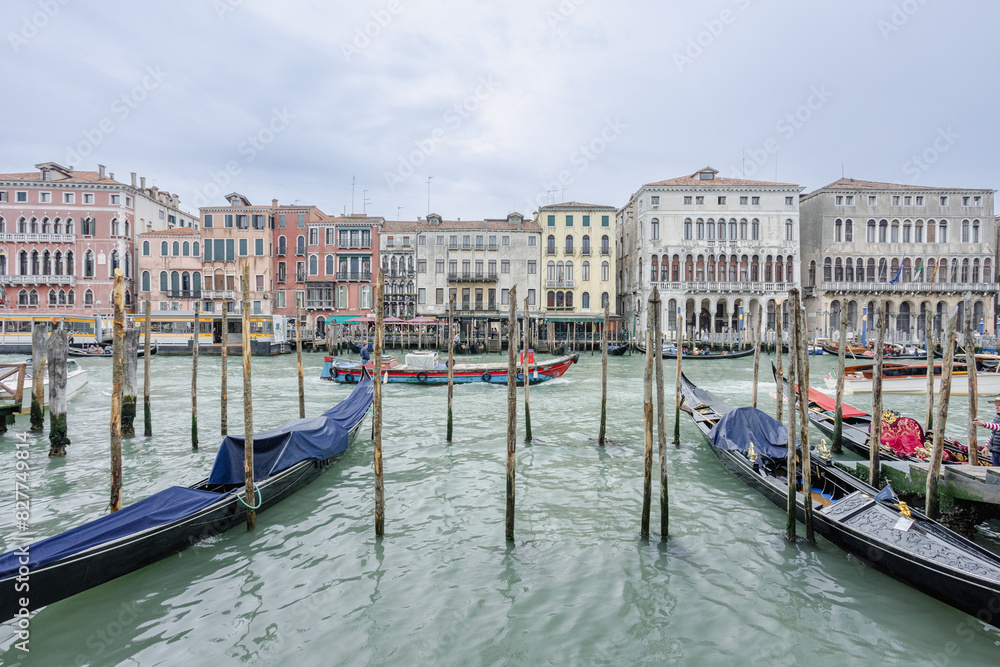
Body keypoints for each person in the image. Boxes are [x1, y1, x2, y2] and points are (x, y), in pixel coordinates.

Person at [972, 396, 1000, 466]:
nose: (996, 407)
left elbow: (998, 427)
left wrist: (983, 424)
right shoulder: (997, 417)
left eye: (999, 405)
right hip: (996, 451)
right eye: (996, 405)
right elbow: (993, 433)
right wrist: (987, 445)